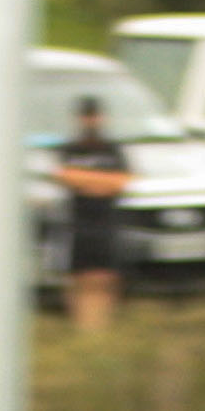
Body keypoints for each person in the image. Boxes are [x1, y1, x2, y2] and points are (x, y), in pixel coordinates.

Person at [54, 96, 134, 337]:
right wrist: (100, 182)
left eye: (95, 115)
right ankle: (82, 328)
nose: (91, 120)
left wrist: (87, 181)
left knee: (105, 278)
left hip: (107, 223)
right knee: (79, 279)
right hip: (79, 225)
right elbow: (66, 177)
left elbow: (122, 182)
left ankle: (102, 329)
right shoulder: (70, 149)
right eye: (87, 115)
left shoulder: (113, 150)